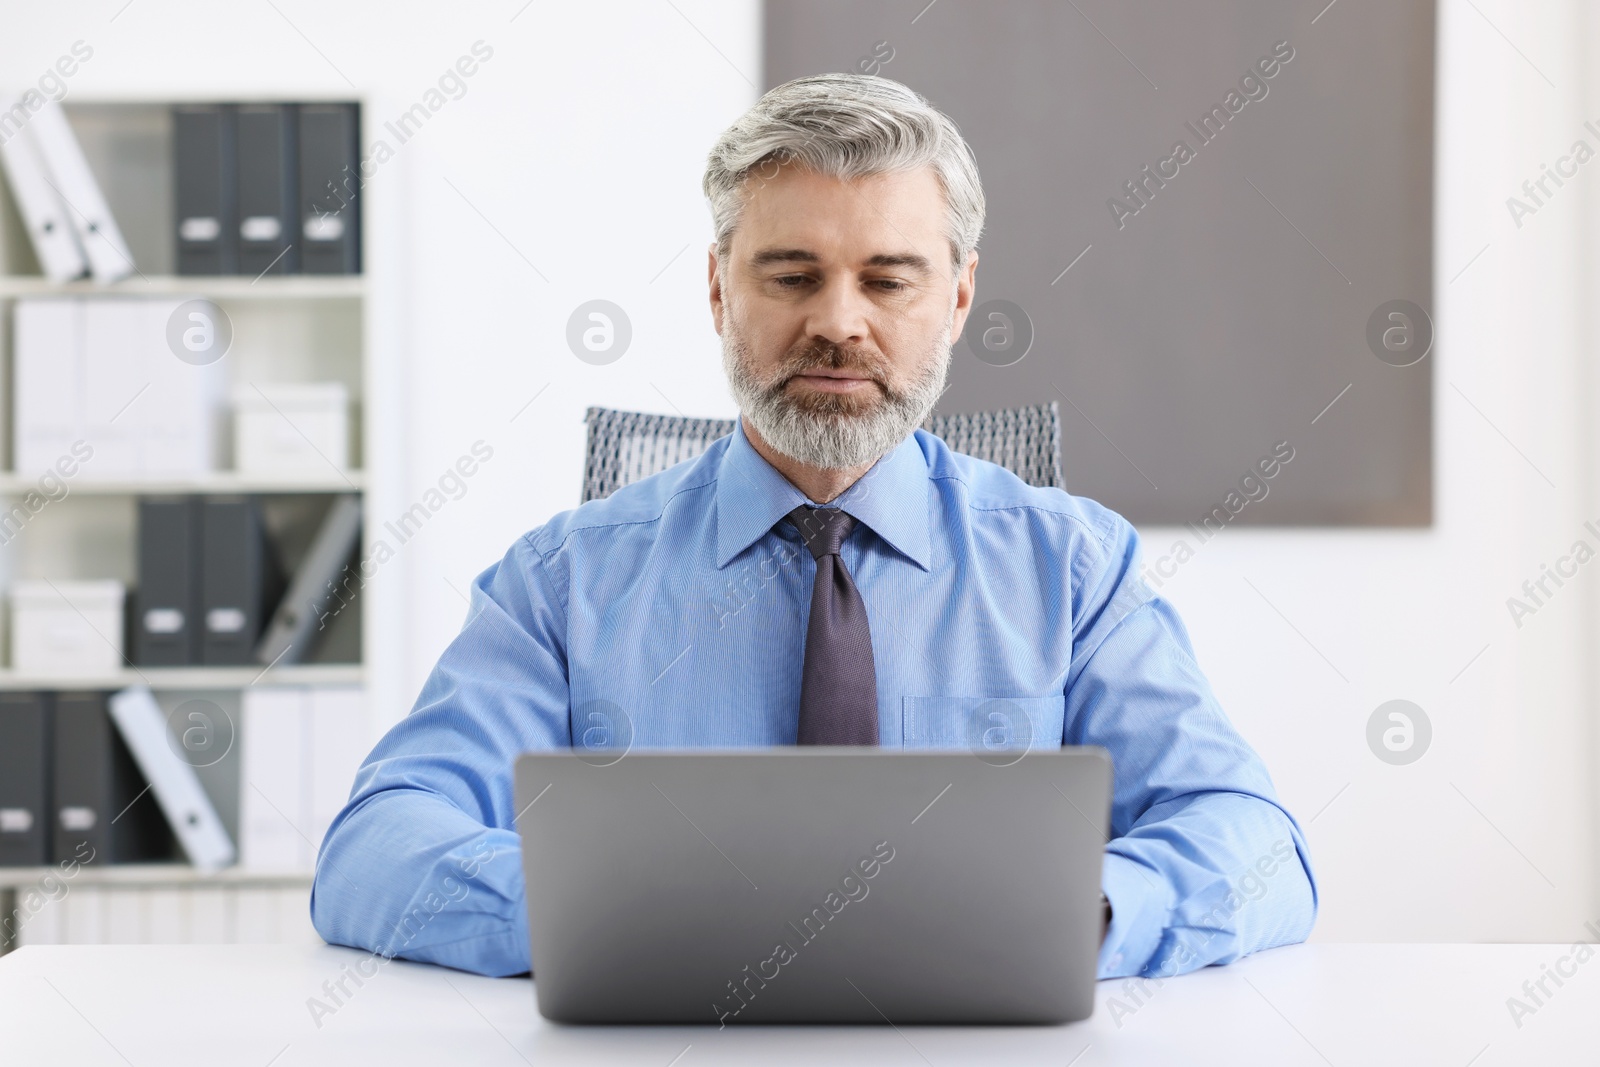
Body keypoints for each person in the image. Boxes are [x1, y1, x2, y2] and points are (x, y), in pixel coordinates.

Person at [310, 72, 1317, 982]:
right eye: (791, 275)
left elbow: (1251, 839)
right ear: (717, 288)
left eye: (888, 279)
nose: (839, 321)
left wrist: (1078, 912)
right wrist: (617, 915)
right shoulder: (561, 582)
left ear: (959, 295)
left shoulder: (1076, 571)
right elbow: (377, 845)